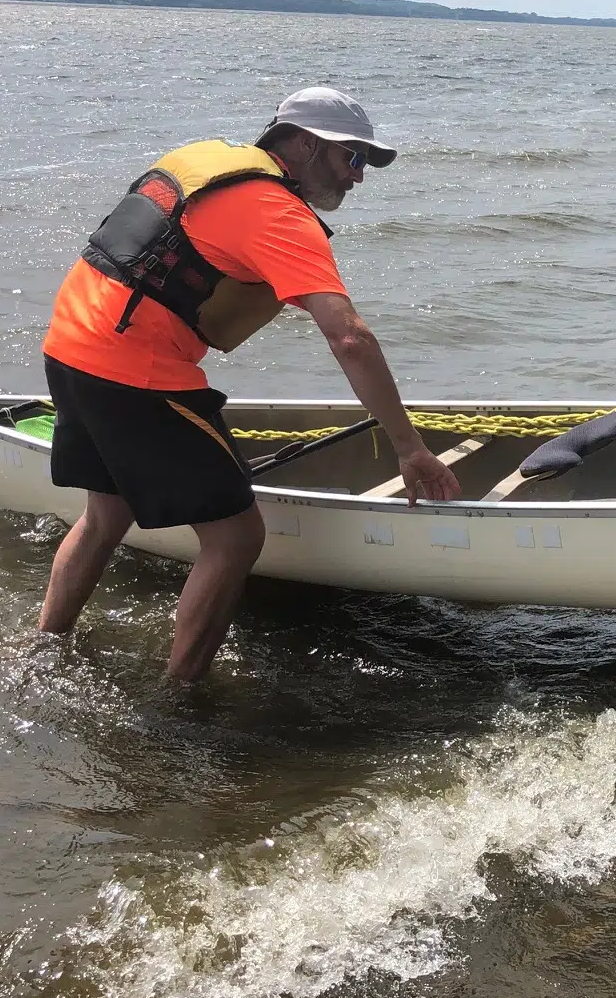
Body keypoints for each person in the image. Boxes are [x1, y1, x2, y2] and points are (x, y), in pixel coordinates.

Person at [36, 86, 460, 681]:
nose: (359, 178)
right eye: (352, 159)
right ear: (307, 146)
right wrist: (410, 448)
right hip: (137, 373)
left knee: (107, 514)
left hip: (70, 344)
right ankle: (179, 693)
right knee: (236, 538)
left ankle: (44, 647)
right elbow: (350, 338)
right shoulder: (278, 213)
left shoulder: (208, 162)